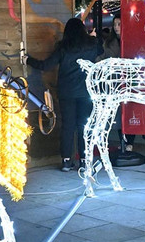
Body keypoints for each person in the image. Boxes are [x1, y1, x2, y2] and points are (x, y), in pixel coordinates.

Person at [25, 17, 103, 171]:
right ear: (83, 30)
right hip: (86, 92)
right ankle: (83, 161)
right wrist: (93, 38)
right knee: (83, 127)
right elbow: (101, 51)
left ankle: (66, 161)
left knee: (67, 126)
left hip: (66, 93)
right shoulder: (92, 45)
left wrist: (28, 60)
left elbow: (46, 65)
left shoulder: (63, 47)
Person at [99, 15, 136, 152]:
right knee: (119, 114)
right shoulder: (109, 42)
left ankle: (129, 141)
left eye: (119, 24)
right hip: (114, 83)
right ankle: (123, 140)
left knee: (131, 112)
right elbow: (102, 57)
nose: (116, 27)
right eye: (115, 24)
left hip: (130, 81)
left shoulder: (132, 40)